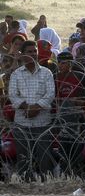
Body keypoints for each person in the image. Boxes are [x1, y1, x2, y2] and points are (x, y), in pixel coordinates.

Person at [8, 40, 55, 180]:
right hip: (22, 122)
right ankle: (25, 185)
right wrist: (26, 108)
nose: (33, 54)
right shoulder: (16, 74)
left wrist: (36, 107)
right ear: (22, 55)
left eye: (35, 51)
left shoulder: (46, 73)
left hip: (43, 122)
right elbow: (12, 95)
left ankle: (46, 184)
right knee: (24, 158)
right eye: (29, 52)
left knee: (45, 157)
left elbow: (50, 93)